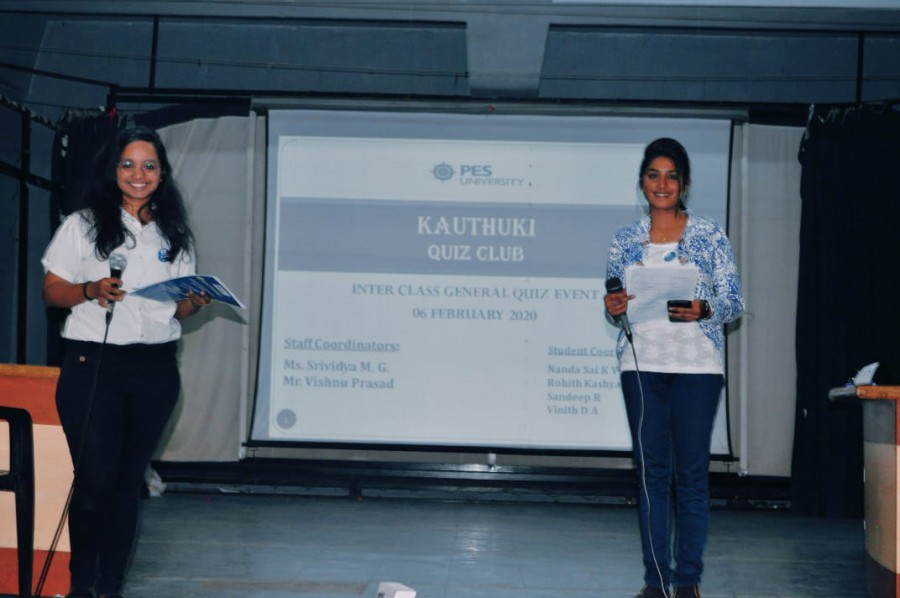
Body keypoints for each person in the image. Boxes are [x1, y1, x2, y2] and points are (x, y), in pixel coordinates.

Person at [41, 126, 211, 598]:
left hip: (154, 369)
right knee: (94, 480)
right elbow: (52, 292)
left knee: (125, 484)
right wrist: (90, 289)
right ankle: (81, 584)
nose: (139, 174)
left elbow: (175, 309)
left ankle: (111, 587)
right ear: (113, 170)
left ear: (162, 173)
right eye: (129, 164)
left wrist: (195, 302)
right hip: (92, 363)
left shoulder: (174, 233)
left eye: (149, 165)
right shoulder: (82, 225)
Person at [603, 138, 744, 598]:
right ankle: (655, 581)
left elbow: (734, 301)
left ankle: (687, 582)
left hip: (697, 368)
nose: (661, 184)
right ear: (642, 182)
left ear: (684, 184)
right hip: (641, 364)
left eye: (671, 176)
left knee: (692, 477)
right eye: (653, 175)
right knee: (651, 476)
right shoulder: (624, 239)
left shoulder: (709, 234)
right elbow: (616, 304)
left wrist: (705, 309)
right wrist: (613, 306)